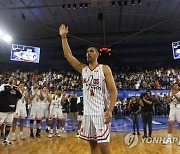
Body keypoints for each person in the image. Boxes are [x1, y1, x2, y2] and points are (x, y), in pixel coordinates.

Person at [59, 24, 117, 154]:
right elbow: (68, 55)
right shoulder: (83, 69)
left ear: (97, 54)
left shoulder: (104, 68)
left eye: (91, 51)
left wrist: (110, 110)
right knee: (93, 146)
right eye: (87, 52)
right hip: (87, 114)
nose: (88, 53)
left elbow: (113, 91)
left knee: (104, 149)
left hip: (100, 113)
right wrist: (64, 37)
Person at [0, 77, 22, 145]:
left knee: (9, 125)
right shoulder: (3, 86)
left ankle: (6, 139)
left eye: (13, 79)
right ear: (8, 80)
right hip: (3, 109)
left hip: (11, 110)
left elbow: (20, 96)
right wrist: (10, 88)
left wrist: (17, 90)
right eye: (10, 78)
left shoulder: (16, 88)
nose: (12, 79)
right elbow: (1, 94)